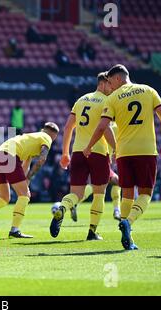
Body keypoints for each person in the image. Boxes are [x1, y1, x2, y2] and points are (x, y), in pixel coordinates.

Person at [83, 64, 161, 250]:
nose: (110, 86)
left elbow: (101, 127)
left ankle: (127, 237)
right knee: (146, 193)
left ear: (117, 78)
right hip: (146, 150)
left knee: (127, 194)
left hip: (123, 153)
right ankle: (128, 222)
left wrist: (89, 146)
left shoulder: (113, 98)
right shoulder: (148, 90)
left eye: (110, 82)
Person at [50, 72, 116, 241]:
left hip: (78, 152)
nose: (111, 88)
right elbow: (105, 129)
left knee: (76, 194)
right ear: (102, 84)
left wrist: (65, 153)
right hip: (98, 152)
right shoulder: (106, 101)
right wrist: (116, 148)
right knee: (99, 193)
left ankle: (62, 207)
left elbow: (67, 127)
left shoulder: (80, 100)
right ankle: (92, 232)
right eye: (109, 84)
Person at [0, 122, 59, 238]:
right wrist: (28, 179)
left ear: (42, 129)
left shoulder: (31, 137)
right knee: (25, 196)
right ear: (54, 136)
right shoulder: (47, 137)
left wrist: (26, 180)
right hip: (10, 156)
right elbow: (42, 159)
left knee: (4, 198)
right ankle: (14, 230)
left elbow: (26, 164)